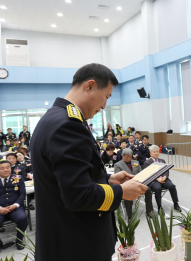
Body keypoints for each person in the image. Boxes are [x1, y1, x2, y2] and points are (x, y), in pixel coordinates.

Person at [30, 63, 148, 261]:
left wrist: (107, 179)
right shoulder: (68, 125)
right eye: (107, 97)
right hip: (76, 245)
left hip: (63, 240)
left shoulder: (54, 118)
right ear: (90, 86)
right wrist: (122, 192)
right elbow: (78, 196)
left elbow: (65, 179)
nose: (104, 106)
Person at [0, 160, 28, 256]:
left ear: (11, 168)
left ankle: (19, 240)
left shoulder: (18, 178)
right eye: (2, 168)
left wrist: (15, 205)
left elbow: (22, 194)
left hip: (15, 208)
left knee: (22, 218)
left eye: (8, 167)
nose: (6, 170)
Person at [114, 148, 153, 219]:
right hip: (127, 185)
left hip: (138, 183)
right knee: (126, 194)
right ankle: (129, 216)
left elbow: (141, 173)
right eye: (127, 157)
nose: (129, 158)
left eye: (130, 156)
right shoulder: (117, 165)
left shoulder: (136, 162)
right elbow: (118, 178)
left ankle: (149, 211)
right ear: (122, 156)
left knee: (148, 190)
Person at [143, 145, 181, 212]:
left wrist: (165, 177)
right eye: (154, 152)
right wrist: (158, 179)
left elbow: (166, 170)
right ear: (150, 153)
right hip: (154, 181)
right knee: (158, 188)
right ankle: (159, 206)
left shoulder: (162, 160)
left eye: (157, 151)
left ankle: (176, 204)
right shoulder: (147, 163)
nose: (156, 153)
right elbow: (148, 174)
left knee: (172, 186)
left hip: (163, 179)